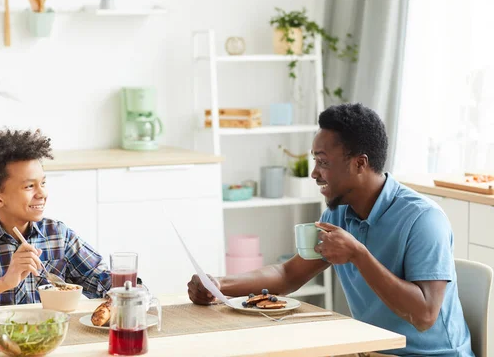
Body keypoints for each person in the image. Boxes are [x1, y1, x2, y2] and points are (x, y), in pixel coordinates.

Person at [188, 103, 474, 356]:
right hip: (368, 349)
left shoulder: (423, 219)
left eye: (323, 162)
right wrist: (220, 285)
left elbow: (425, 315)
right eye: (315, 160)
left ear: (360, 163)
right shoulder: (338, 214)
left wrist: (358, 255)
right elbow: (288, 274)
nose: (314, 173)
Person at [0, 129, 111, 313]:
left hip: (48, 337)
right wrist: (4, 282)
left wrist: (129, 287)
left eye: (43, 183)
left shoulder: (58, 235)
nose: (42, 194)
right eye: (29, 186)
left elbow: (103, 280)